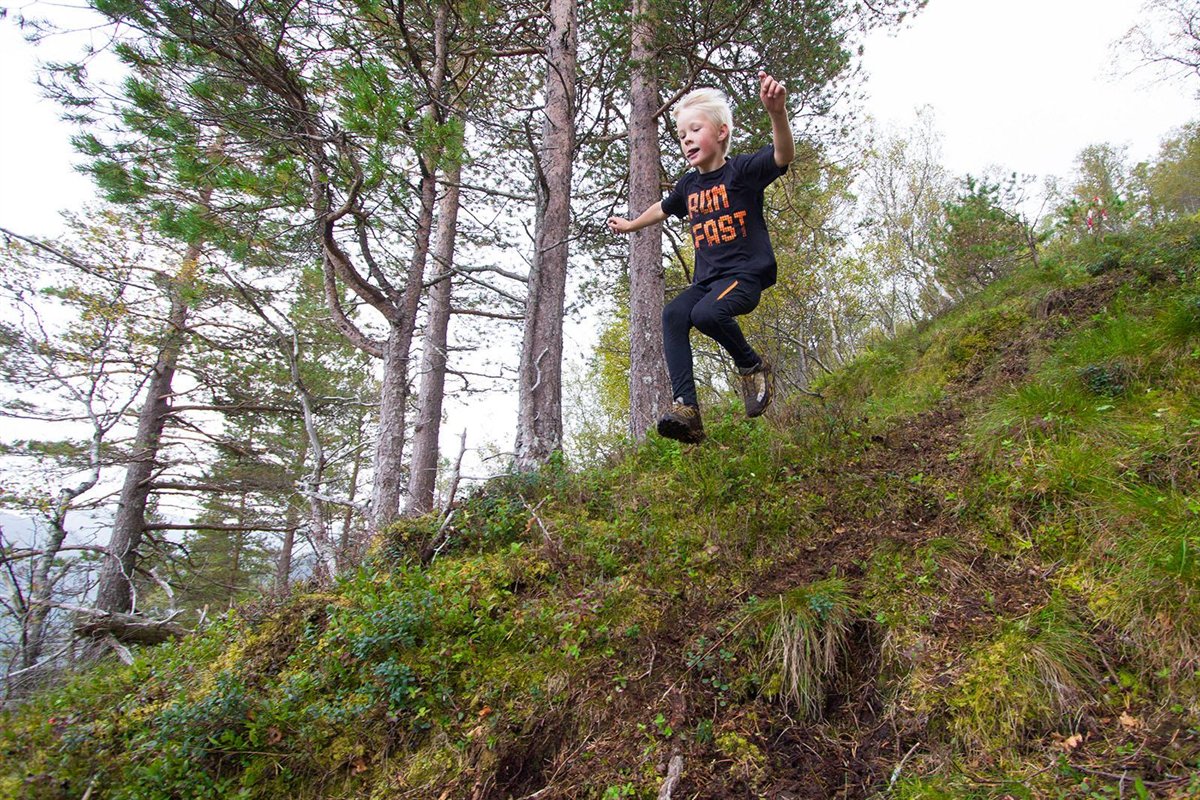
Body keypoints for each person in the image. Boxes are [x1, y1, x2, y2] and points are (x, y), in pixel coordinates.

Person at [608, 71, 794, 444]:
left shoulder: (742, 170)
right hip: (708, 280)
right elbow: (662, 208)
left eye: (695, 130)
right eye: (681, 135)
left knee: (707, 313)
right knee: (675, 314)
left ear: (721, 132)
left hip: (744, 277)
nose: (687, 139)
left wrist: (777, 114)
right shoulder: (688, 186)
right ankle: (687, 409)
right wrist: (631, 226)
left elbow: (782, 155)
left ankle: (751, 364)